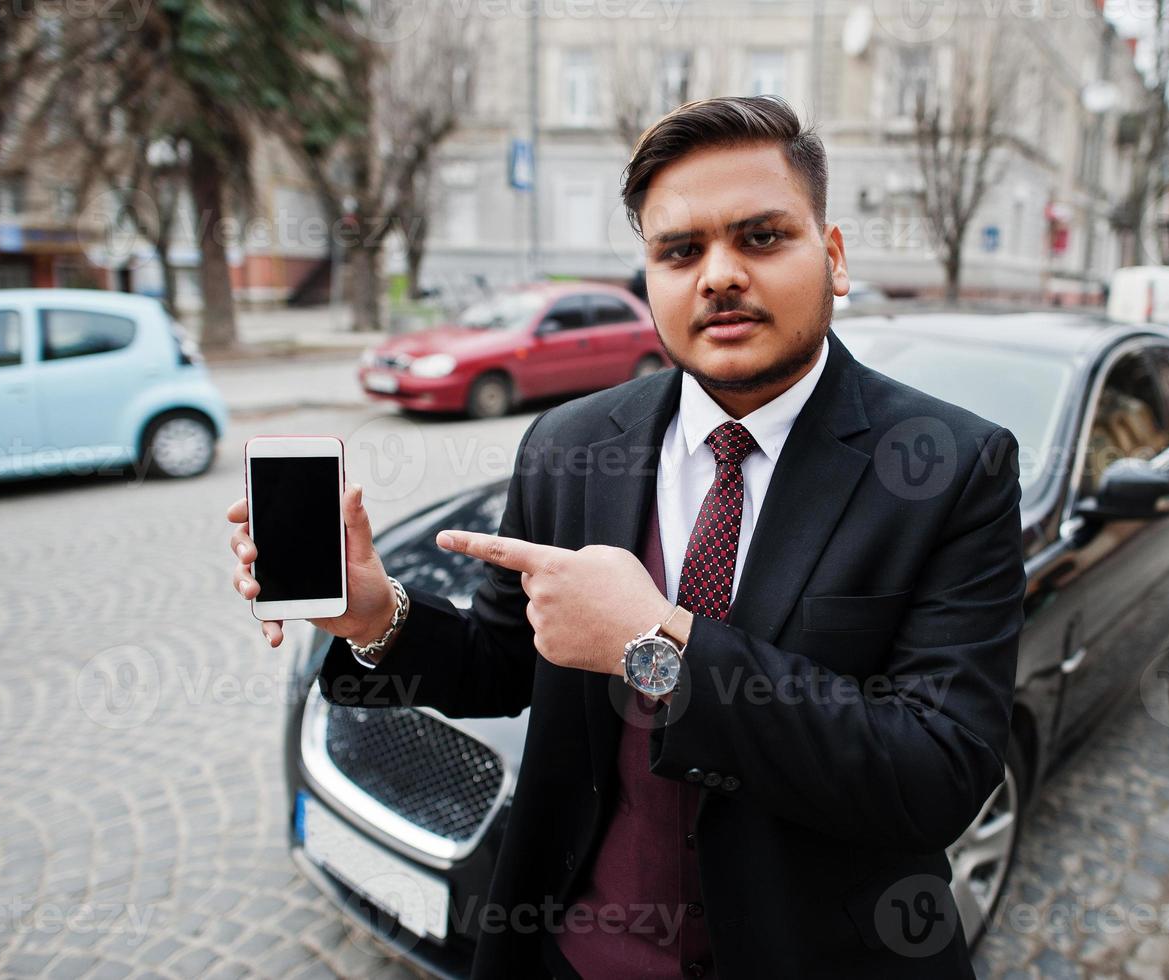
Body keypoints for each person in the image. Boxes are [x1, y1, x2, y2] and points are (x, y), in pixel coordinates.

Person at [227, 95, 1024, 979]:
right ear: (648, 277)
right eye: (679, 251)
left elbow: (937, 774)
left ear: (831, 257)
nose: (718, 276)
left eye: (760, 237)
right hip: (577, 951)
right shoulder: (570, 445)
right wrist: (378, 617)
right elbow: (504, 663)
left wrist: (656, 646)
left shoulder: (951, 466)